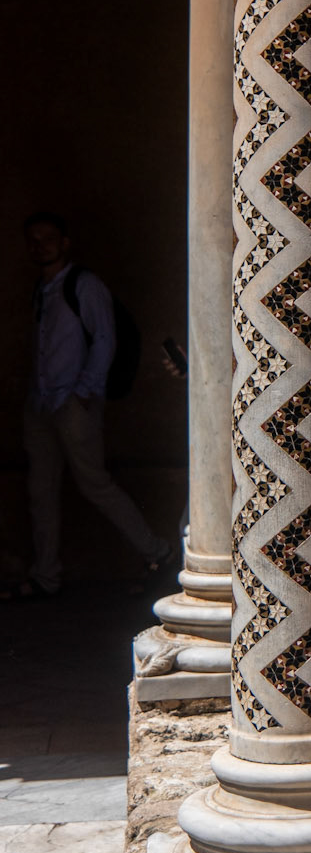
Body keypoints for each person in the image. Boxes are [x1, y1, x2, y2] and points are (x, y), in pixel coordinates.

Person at [11, 212, 170, 599]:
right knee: (41, 491)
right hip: (43, 403)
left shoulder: (84, 284)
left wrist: (84, 392)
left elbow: (104, 339)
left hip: (73, 402)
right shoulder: (42, 288)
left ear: (65, 243)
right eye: (33, 239)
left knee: (95, 484)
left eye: (48, 238)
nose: (40, 245)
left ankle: (159, 552)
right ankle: (46, 576)